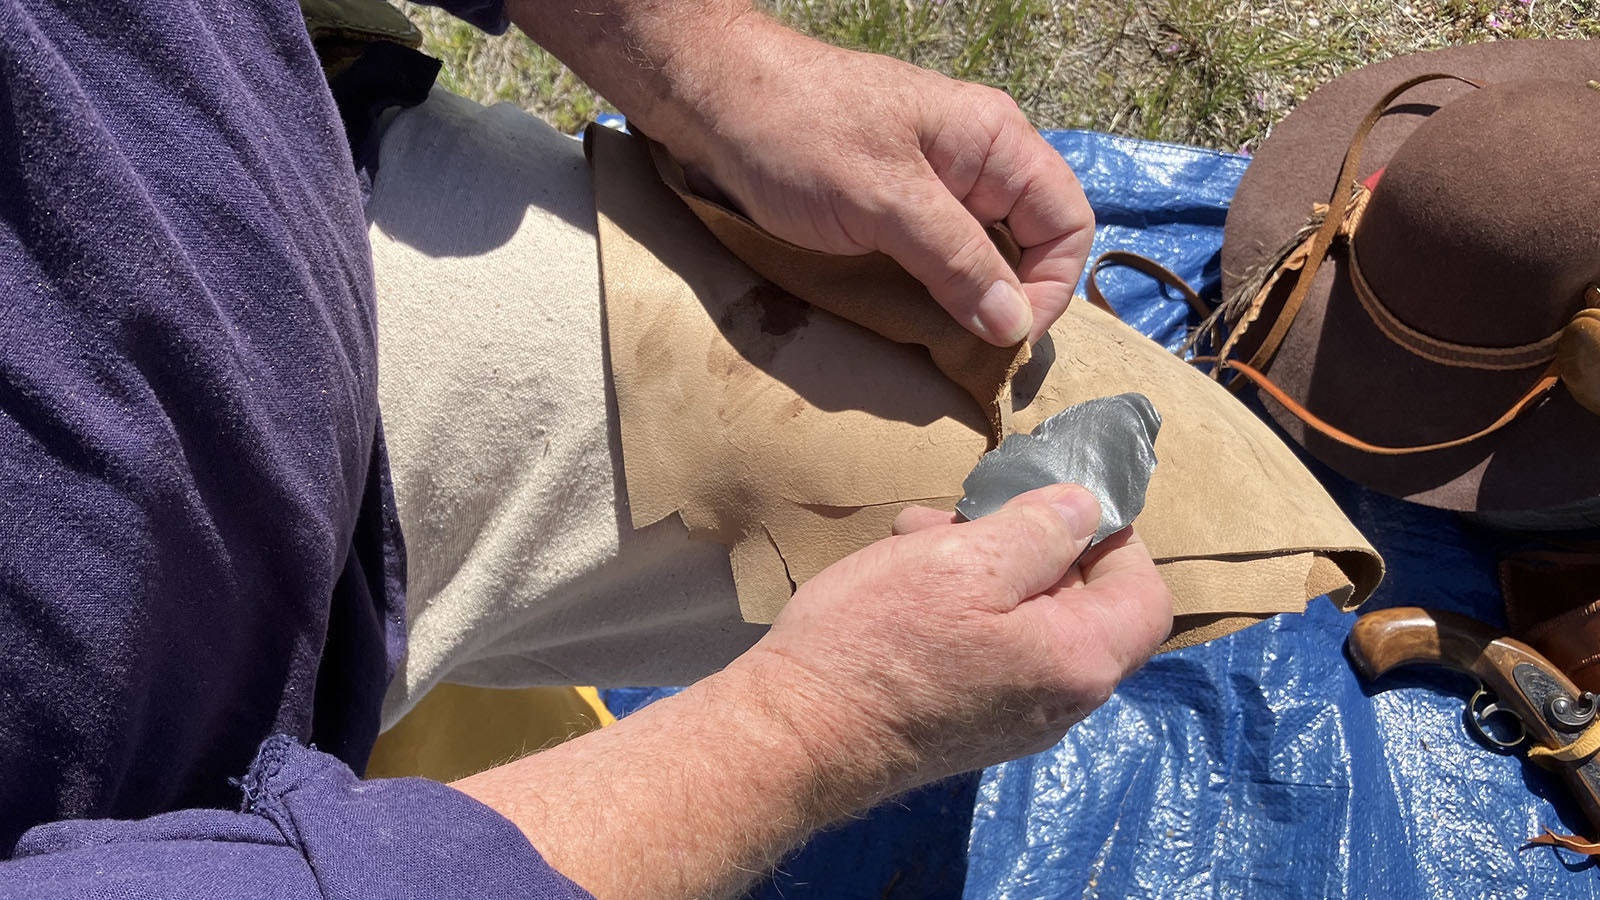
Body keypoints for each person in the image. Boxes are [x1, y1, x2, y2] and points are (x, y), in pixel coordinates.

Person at [0, 1, 1174, 898]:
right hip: (144, 759)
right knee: (1101, 562)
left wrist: (706, 59)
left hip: (294, 179)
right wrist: (815, 724)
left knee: (1163, 486)